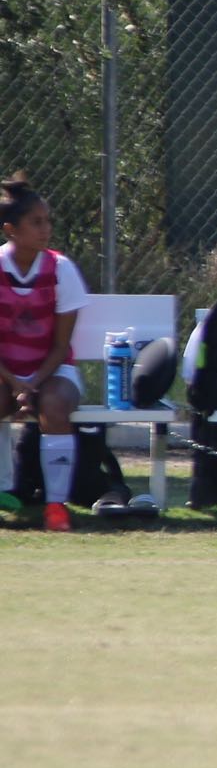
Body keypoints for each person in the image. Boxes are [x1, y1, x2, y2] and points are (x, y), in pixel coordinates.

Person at [1, 175, 88, 531]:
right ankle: (4, 490)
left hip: (52, 372)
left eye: (47, 221)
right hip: (5, 374)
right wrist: (14, 382)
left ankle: (56, 505)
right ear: (11, 230)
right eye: (36, 222)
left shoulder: (61, 270)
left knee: (54, 405)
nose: (45, 229)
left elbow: (60, 346)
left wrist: (33, 383)